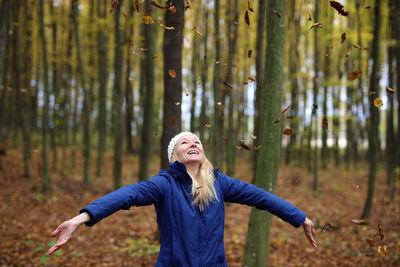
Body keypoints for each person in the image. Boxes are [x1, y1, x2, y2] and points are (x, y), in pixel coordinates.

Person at [48, 132, 318, 266]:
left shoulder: (220, 183)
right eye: (184, 142)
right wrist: (82, 217)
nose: (193, 144)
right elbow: (127, 195)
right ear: (174, 155)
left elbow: (261, 197)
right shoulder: (164, 184)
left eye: (197, 141)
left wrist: (300, 217)